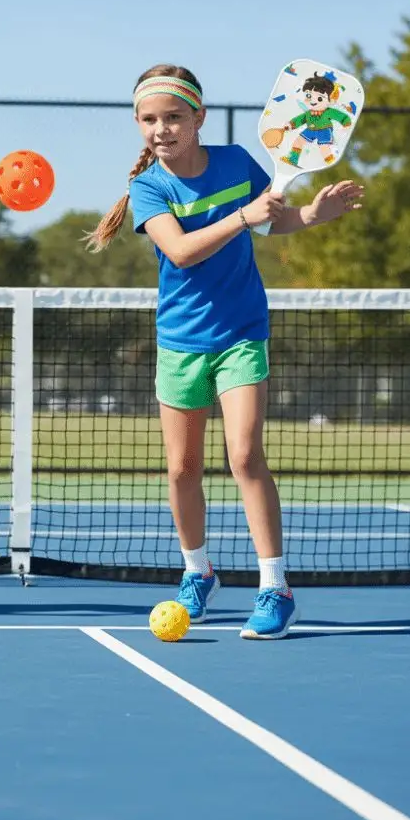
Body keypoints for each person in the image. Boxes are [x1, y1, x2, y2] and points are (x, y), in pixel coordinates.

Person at [86, 65, 363, 639]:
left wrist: (313, 215)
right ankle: (198, 572)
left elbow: (274, 221)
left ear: (198, 119)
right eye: (148, 119)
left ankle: (275, 588)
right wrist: (243, 217)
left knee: (243, 457)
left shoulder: (238, 162)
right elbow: (183, 252)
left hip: (241, 332)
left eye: (172, 117)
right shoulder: (148, 188)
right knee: (182, 468)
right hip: (180, 340)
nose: (160, 129)